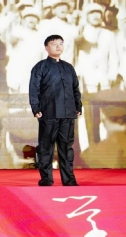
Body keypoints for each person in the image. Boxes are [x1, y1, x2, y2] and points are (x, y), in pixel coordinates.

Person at [29, 35, 82, 186]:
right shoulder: (40, 67)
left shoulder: (68, 67)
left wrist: (78, 106)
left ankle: (69, 180)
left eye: (61, 44)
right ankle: (46, 179)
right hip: (48, 113)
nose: (58, 46)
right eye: (54, 44)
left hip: (67, 114)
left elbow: (75, 89)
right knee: (46, 148)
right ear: (46, 47)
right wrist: (35, 107)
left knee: (67, 149)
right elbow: (34, 89)